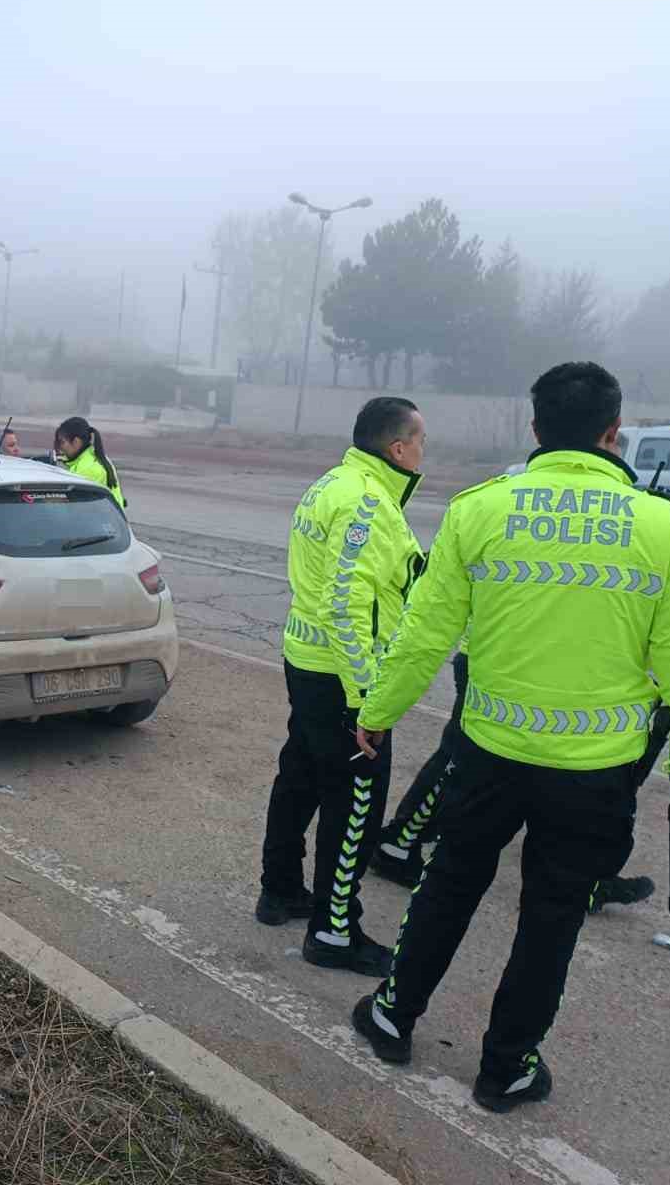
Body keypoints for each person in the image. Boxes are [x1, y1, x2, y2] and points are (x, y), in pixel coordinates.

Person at [350, 362, 670, 1114]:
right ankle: (506, 1069)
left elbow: (426, 633)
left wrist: (378, 712)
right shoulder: (665, 529)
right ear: (613, 433)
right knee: (551, 919)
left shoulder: (481, 509)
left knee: (450, 884)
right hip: (595, 775)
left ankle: (393, 1015)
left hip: (488, 753)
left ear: (535, 430)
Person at [256, 397, 427, 980]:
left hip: (306, 662)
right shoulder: (367, 502)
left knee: (300, 773)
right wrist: (366, 702)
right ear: (397, 448)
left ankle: (278, 890)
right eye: (420, 441)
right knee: (355, 798)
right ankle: (334, 930)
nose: (424, 452)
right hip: (339, 676)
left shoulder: (334, 481)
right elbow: (346, 603)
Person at [371, 634, 657, 914]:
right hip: (510, 660)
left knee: (466, 763)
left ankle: (402, 842)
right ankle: (400, 841)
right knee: (462, 763)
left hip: (520, 658)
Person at [54, 417, 126, 507]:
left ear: (76, 442)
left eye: (62, 442)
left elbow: (71, 504)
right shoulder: (92, 456)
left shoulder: (89, 468)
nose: (60, 447)